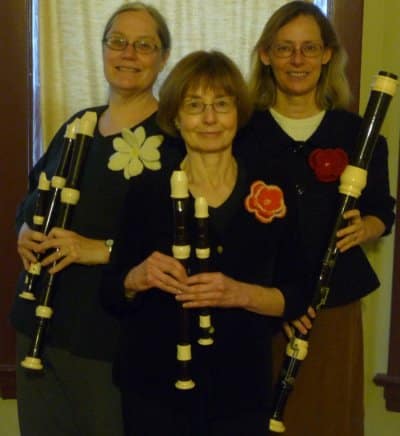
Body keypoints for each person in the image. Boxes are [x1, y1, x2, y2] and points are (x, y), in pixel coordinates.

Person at [99, 49, 311, 436]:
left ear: (238, 113)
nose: (210, 118)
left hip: (241, 388)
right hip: (153, 388)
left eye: (222, 104)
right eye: (195, 105)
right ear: (176, 117)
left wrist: (239, 294)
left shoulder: (273, 189)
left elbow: (298, 293)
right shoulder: (147, 191)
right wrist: (136, 277)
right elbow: (111, 293)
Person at [10, 3, 175, 435]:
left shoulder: (173, 140)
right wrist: (24, 229)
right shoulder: (78, 124)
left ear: (163, 58)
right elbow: (34, 193)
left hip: (107, 333)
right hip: (38, 324)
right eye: (117, 42)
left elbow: (179, 241)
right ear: (103, 49)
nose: (128, 54)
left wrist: (98, 249)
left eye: (144, 45)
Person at [237, 2, 395, 436]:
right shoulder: (242, 131)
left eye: (309, 48)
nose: (298, 60)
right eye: (285, 48)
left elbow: (383, 209)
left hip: (334, 305)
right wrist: (274, 301)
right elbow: (231, 225)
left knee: (327, 417)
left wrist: (369, 226)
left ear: (328, 55)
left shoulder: (357, 133)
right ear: (266, 55)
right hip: (261, 303)